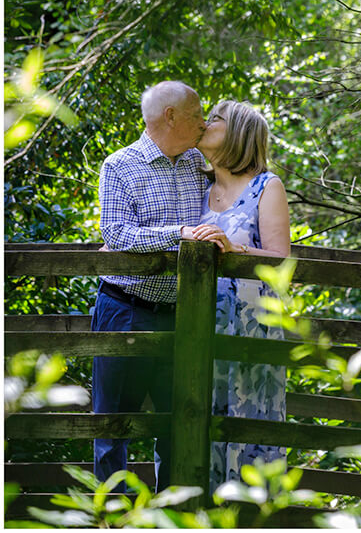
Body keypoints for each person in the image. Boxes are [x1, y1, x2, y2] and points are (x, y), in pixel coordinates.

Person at [94, 80, 230, 491]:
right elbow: (116, 234)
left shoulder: (198, 164)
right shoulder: (119, 166)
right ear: (170, 116)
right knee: (112, 426)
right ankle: (112, 520)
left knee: (179, 425)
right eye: (196, 115)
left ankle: (172, 517)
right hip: (125, 310)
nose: (204, 123)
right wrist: (181, 233)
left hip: (184, 314)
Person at [190, 100, 291, 491]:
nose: (204, 123)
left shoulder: (267, 187)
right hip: (200, 331)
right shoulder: (196, 186)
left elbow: (281, 262)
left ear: (238, 134)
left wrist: (235, 250)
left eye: (215, 119)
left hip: (250, 333)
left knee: (249, 432)